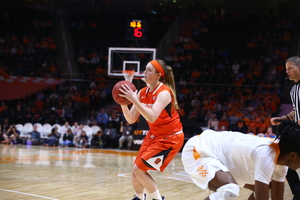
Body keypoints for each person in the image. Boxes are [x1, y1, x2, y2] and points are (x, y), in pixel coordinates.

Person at [182, 120, 300, 200]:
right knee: (230, 190)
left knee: (268, 186)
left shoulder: (281, 163)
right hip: (200, 149)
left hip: (222, 158)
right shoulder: (266, 155)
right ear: (293, 155)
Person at [118, 59, 184, 200]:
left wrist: (134, 99)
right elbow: (130, 119)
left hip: (170, 138)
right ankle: (140, 198)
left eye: (149, 70)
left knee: (139, 170)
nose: (145, 72)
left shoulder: (164, 93)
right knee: (135, 171)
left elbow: (152, 117)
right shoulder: (142, 92)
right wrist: (123, 102)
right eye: (145, 69)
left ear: (158, 75)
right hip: (154, 135)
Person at [270, 56, 300, 200]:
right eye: (286, 69)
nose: (287, 71)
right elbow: (295, 111)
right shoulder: (294, 89)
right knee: (282, 156)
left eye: (290, 68)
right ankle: (298, 192)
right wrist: (281, 119)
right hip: (298, 131)